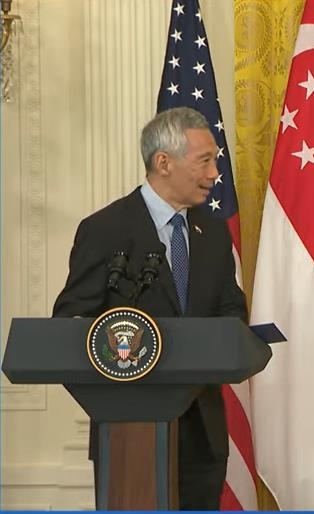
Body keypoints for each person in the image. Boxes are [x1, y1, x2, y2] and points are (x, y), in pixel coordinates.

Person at [53, 107, 247, 510]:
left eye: (215, 161)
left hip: (202, 434)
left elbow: (231, 310)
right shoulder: (104, 229)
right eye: (205, 161)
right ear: (163, 162)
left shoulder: (211, 231)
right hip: (128, 432)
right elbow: (71, 319)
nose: (215, 174)